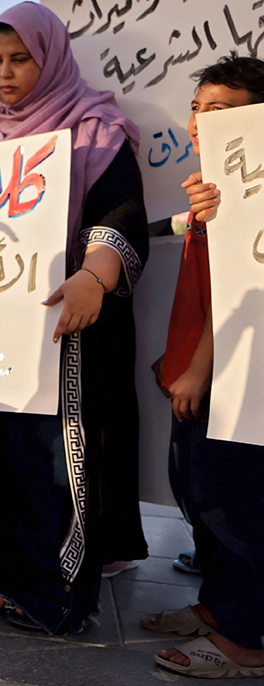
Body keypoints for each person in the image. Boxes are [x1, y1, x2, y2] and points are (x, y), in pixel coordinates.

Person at [0, 2, 148, 636]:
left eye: (20, 59)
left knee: (55, 467)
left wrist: (92, 275)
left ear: (49, 58)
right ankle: (2, 578)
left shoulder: (96, 129)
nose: (5, 74)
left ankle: (55, 596)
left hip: (68, 336)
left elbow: (122, 217)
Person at [145, 55, 264, 679]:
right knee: (200, 495)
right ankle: (218, 611)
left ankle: (247, 641)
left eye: (219, 112)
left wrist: (198, 367)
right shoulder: (212, 182)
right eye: (196, 109)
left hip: (234, 374)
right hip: (197, 367)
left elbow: (248, 290)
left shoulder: (254, 186)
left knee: (235, 507)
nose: (199, 123)